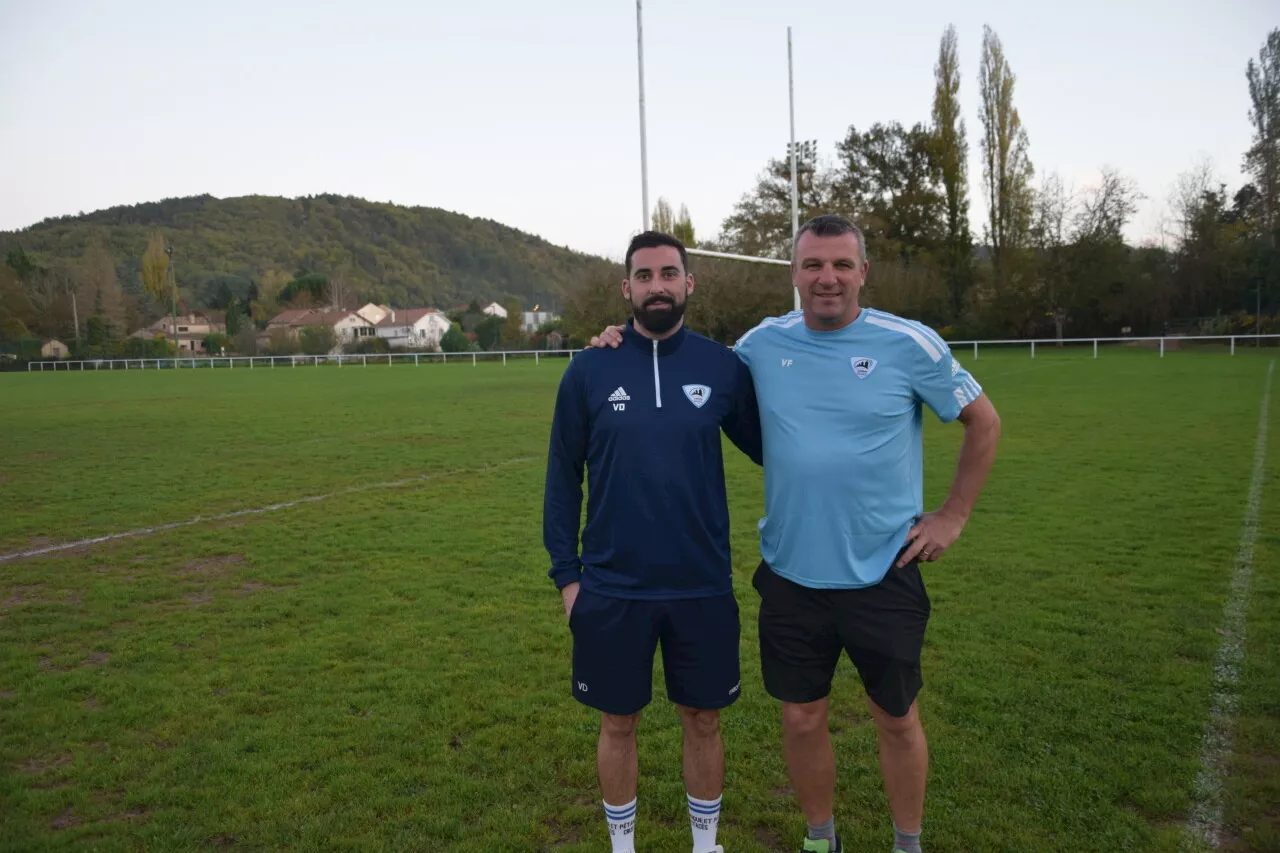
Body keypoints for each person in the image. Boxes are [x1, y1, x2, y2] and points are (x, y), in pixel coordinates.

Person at [591, 214, 1002, 853]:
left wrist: (952, 514)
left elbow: (984, 421)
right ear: (795, 274)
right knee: (802, 717)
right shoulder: (759, 346)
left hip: (883, 569)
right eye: (813, 265)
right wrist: (622, 339)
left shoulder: (908, 343)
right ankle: (821, 840)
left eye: (841, 264)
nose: (827, 278)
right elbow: (678, 365)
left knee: (896, 720)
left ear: (863, 271)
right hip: (790, 576)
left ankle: (907, 842)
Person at [543, 230, 763, 853]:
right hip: (613, 588)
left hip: (702, 584)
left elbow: (778, 453)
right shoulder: (590, 368)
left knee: (704, 719)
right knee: (619, 723)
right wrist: (568, 579)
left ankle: (705, 844)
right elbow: (561, 479)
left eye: (669, 274)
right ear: (627, 289)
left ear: (689, 283)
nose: (657, 286)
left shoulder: (722, 367)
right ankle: (622, 847)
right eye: (645, 276)